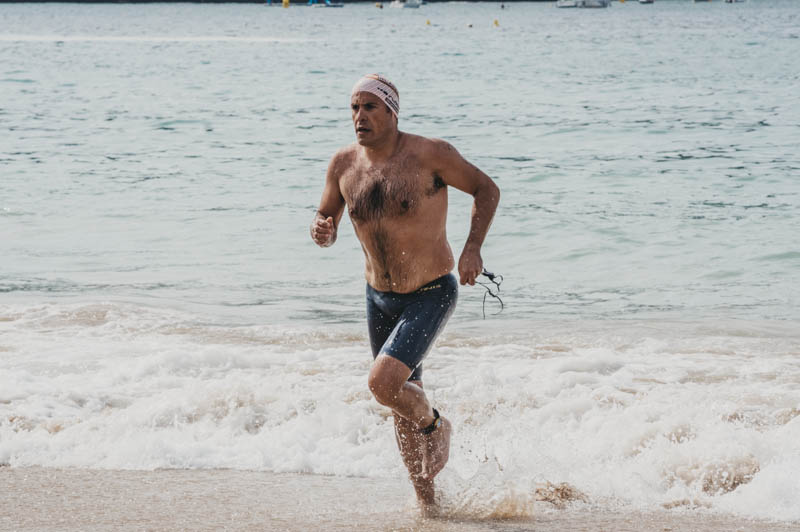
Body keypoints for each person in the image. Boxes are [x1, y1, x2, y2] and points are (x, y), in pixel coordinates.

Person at [310, 74, 500, 513]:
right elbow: (326, 219)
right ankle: (429, 505)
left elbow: (486, 189)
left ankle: (436, 426)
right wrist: (323, 231)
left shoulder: (430, 154)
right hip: (378, 297)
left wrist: (472, 247)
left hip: (430, 292)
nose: (359, 116)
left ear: (392, 112)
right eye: (354, 108)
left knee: (384, 384)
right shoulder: (343, 165)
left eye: (369, 107)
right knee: (399, 401)